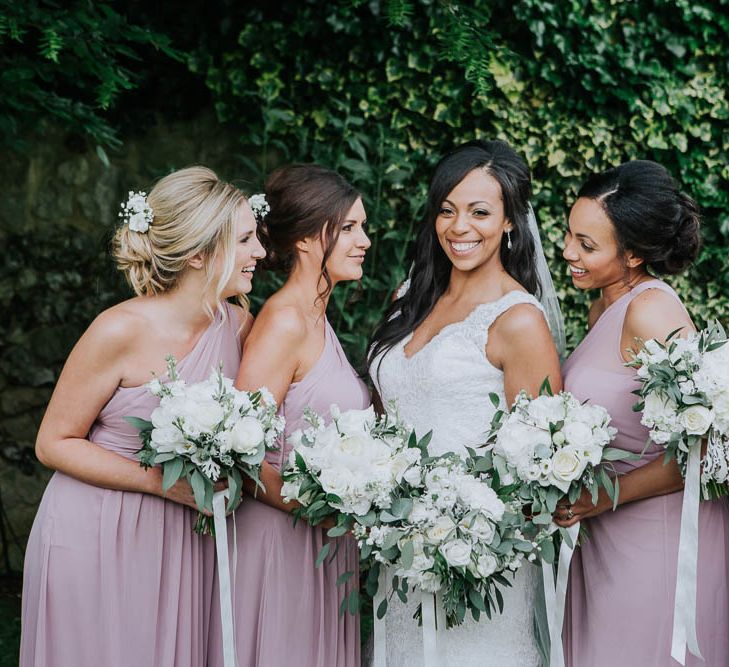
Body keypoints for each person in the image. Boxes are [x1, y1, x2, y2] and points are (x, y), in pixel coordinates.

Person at [20, 166, 266, 667]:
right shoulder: (119, 330)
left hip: (180, 535)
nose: (260, 251)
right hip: (96, 529)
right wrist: (158, 482)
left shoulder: (237, 323)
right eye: (245, 239)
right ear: (199, 253)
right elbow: (53, 442)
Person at [367, 140, 562, 666]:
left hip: (478, 559)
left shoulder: (518, 320)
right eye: (447, 210)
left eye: (480, 212)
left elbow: (539, 464)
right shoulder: (409, 298)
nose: (459, 227)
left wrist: (463, 532)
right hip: (399, 544)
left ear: (509, 223)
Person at [556, 160, 729, 666]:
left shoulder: (649, 311)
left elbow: (707, 448)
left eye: (587, 246)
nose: (568, 252)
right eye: (570, 234)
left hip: (654, 538)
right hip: (604, 533)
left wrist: (604, 498)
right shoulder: (603, 308)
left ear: (632, 255)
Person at [208, 164, 371, 667]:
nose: (364, 240)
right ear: (304, 240)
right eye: (348, 228)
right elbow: (237, 451)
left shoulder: (316, 317)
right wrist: (319, 508)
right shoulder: (283, 322)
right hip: (279, 544)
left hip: (320, 544)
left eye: (362, 227)